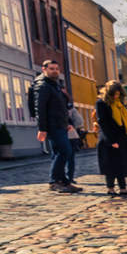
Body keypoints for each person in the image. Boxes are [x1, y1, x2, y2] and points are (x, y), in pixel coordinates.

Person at [32, 60, 80, 193]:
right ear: (44, 69)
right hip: (52, 125)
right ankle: (54, 181)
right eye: (51, 68)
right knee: (65, 151)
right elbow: (40, 109)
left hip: (61, 124)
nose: (55, 71)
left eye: (57, 69)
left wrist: (68, 123)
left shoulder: (55, 85)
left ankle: (63, 181)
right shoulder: (43, 86)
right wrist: (42, 129)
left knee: (60, 152)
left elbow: (61, 108)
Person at [96, 81, 127, 196]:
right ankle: (110, 188)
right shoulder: (102, 103)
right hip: (108, 138)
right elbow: (103, 122)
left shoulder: (119, 103)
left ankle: (123, 188)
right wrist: (111, 141)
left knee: (122, 163)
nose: (116, 96)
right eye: (114, 94)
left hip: (121, 137)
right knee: (110, 165)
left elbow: (125, 120)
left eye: (118, 94)